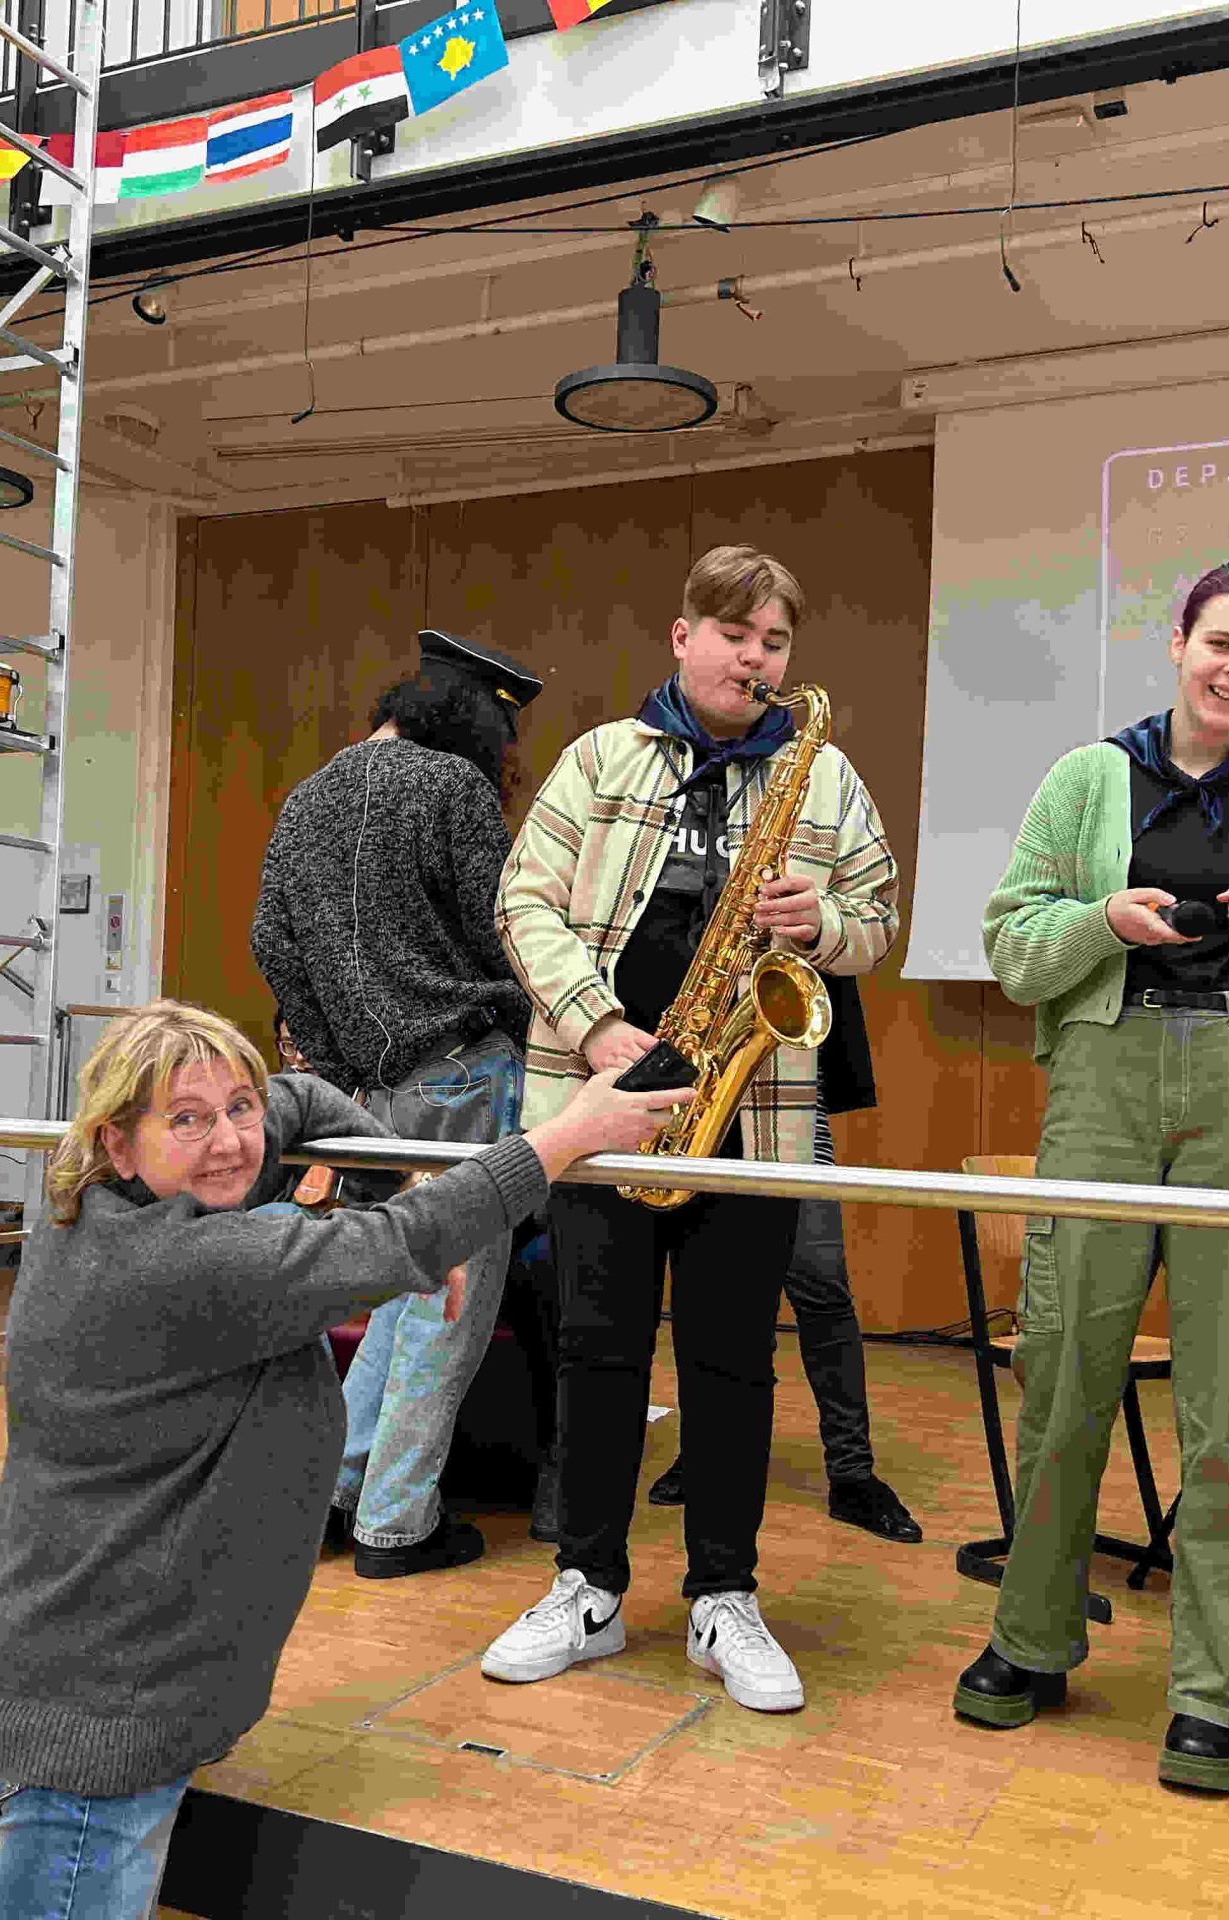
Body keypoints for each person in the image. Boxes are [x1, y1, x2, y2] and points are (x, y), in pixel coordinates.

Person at [0, 1000, 684, 1920]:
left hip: (109, 1691)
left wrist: (394, 1180)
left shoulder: (104, 1210)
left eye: (236, 1108)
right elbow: (400, 1243)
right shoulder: (183, 1265)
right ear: (119, 1143)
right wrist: (569, 1134)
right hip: (93, 1741)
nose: (230, 1140)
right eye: (186, 1119)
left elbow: (298, 1101)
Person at [953, 559, 1229, 1797]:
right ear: (1178, 642)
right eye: (1220, 642)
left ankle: (1213, 1692)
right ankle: (1030, 1639)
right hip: (1104, 1075)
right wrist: (1104, 923)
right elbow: (1012, 944)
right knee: (1062, 1375)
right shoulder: (1088, 775)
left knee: (1225, 1396)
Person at [479, 543, 900, 1715]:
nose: (754, 659)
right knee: (597, 1351)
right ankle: (586, 1587)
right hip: (603, 1098)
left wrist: (823, 923)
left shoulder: (822, 775)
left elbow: (878, 921)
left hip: (748, 1111)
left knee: (732, 1360)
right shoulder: (600, 758)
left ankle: (724, 1593)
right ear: (682, 637)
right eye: (733, 634)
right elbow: (521, 901)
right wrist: (597, 1024)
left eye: (774, 641)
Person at [249, 630, 544, 1580]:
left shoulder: (304, 800)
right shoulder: (453, 788)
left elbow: (271, 945)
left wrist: (338, 1066)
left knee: (399, 1293)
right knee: (449, 1305)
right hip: (465, 1073)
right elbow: (510, 931)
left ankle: (334, 1498)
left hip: (368, 1094)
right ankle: (397, 1526)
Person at [646, 972, 924, 1544]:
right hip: (701, 1121)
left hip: (791, 1121)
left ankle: (853, 1474)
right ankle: (704, 1452)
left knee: (822, 1292)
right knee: (716, 1302)